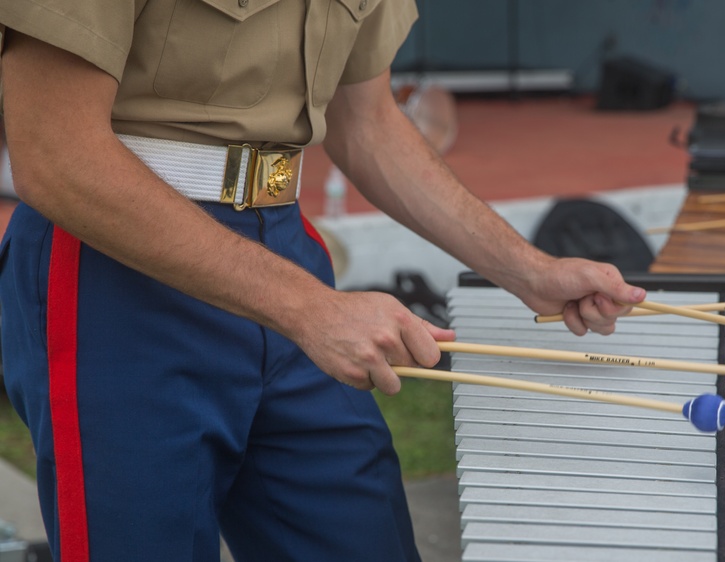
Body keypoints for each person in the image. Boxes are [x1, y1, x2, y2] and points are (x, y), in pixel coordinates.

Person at [0, 2, 646, 561]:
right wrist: (308, 307)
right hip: (115, 271)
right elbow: (56, 154)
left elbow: (367, 121)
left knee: (359, 532)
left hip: (281, 244)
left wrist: (527, 269)